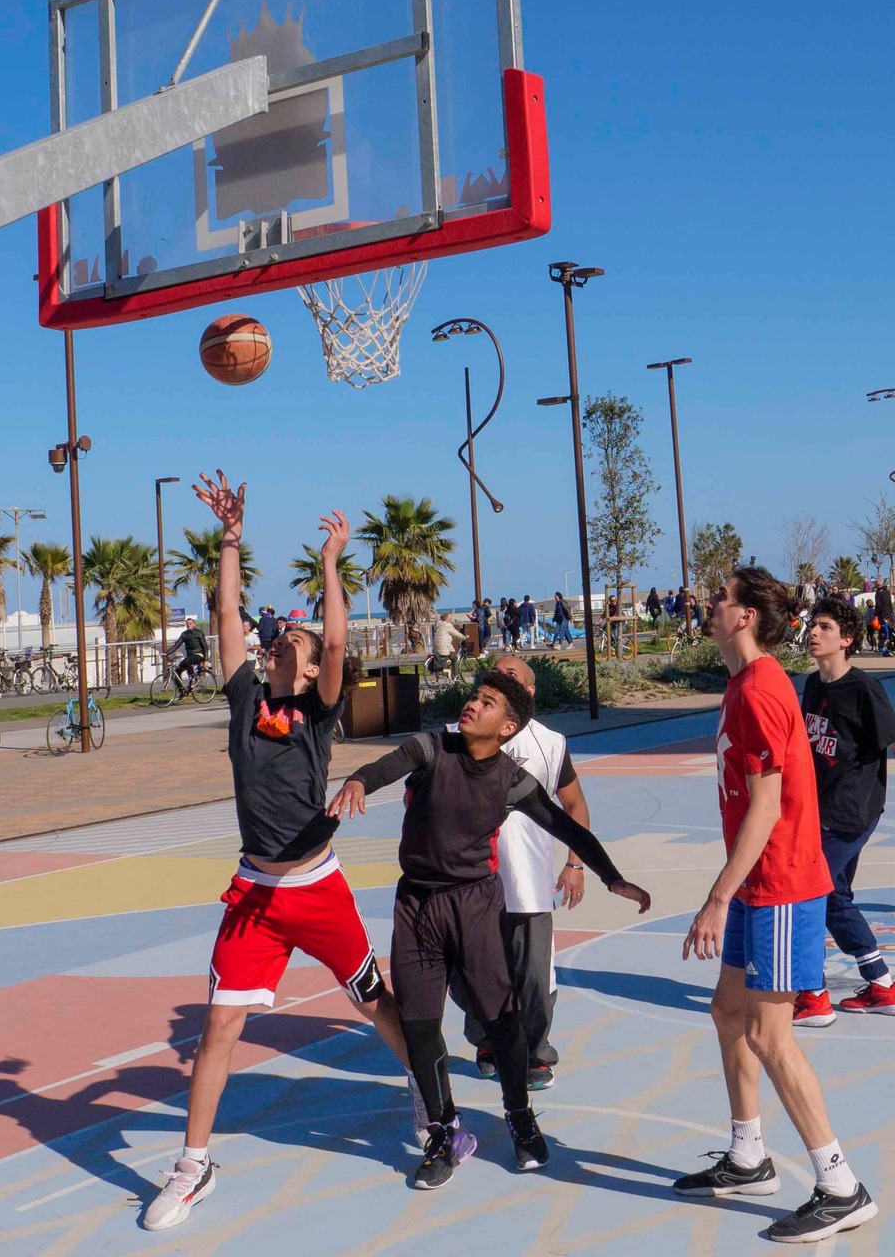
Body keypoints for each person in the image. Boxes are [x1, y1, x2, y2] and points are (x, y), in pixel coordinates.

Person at [144, 475, 419, 1232]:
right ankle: (194, 1163)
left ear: (307, 670)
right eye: (281, 639)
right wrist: (232, 536)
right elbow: (227, 610)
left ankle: (426, 1094)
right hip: (255, 897)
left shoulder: (316, 712)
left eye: (293, 643)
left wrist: (332, 560)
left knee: (373, 1000)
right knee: (219, 1028)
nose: (283, 641)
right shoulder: (243, 697)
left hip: (319, 886)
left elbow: (335, 639)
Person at [329, 668, 648, 1187]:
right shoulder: (432, 748)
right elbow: (385, 766)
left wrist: (613, 878)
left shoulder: (511, 779)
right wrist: (359, 780)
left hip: (474, 904)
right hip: (416, 906)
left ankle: (520, 1119)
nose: (474, 704)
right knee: (419, 1024)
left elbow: (567, 824)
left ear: (508, 727)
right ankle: (444, 1132)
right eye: (475, 695)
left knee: (502, 1019)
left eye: (489, 701)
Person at [672, 566, 879, 1242]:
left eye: (722, 597)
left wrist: (716, 896)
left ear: (747, 616)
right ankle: (747, 1155)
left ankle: (840, 1184)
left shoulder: (761, 690)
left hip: (782, 883)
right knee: (729, 1010)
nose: (710, 602)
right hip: (759, 883)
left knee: (770, 1034)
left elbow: (767, 804)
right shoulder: (740, 684)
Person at [445, 653, 588, 1092]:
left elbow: (575, 805)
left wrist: (575, 863)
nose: (501, 677)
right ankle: (487, 1040)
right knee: (468, 973)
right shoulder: (458, 735)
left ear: (528, 692)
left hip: (528, 883)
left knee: (533, 976)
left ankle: (535, 1052)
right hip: (469, 881)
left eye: (513, 675)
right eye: (496, 672)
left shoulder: (550, 744)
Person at [793, 596, 895, 1028]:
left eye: (825, 627)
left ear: (847, 639)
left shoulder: (865, 689)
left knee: (811, 894)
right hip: (820, 810)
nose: (814, 632)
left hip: (852, 811)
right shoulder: (812, 686)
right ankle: (883, 986)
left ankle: (813, 994)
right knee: (834, 897)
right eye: (814, 624)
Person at [174, 622, 209, 692]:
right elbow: (176, 645)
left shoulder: (199, 633)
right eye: (187, 624)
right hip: (190, 657)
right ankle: (181, 691)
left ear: (194, 624)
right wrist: (166, 653)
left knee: (187, 660)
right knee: (177, 671)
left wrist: (206, 660)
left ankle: (193, 677)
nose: (188, 625)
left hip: (199, 655)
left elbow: (205, 646)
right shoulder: (184, 634)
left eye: (190, 623)